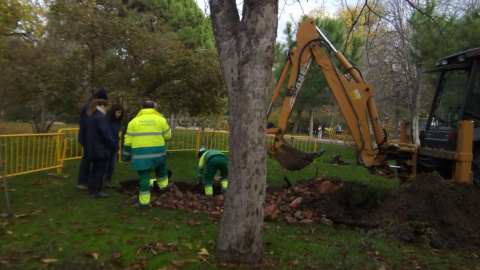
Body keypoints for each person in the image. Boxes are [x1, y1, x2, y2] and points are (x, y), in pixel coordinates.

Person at [122, 100, 173, 209]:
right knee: (161, 168)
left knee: (144, 177)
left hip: (141, 155)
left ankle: (144, 202)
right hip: (158, 152)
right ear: (154, 108)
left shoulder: (133, 122)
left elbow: (127, 141)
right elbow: (168, 136)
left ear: (142, 108)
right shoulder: (161, 120)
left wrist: (125, 156)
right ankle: (163, 186)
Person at [77, 88, 108, 190]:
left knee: (89, 160)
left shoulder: (89, 106)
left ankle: (90, 181)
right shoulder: (90, 107)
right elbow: (89, 125)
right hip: (88, 139)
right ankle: (83, 181)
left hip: (88, 138)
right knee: (87, 160)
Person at [85, 99, 116, 198]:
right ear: (102, 106)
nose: (107, 109)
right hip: (101, 148)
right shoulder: (101, 117)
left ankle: (91, 189)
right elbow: (105, 133)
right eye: (106, 107)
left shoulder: (91, 116)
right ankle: (98, 190)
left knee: (94, 169)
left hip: (92, 147)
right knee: (100, 170)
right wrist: (112, 143)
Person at [104, 104, 125, 188]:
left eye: (120, 113)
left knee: (112, 164)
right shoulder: (107, 120)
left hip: (115, 145)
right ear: (114, 111)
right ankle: (97, 180)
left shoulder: (118, 122)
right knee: (104, 164)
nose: (119, 114)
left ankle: (108, 180)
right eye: (118, 112)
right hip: (107, 145)